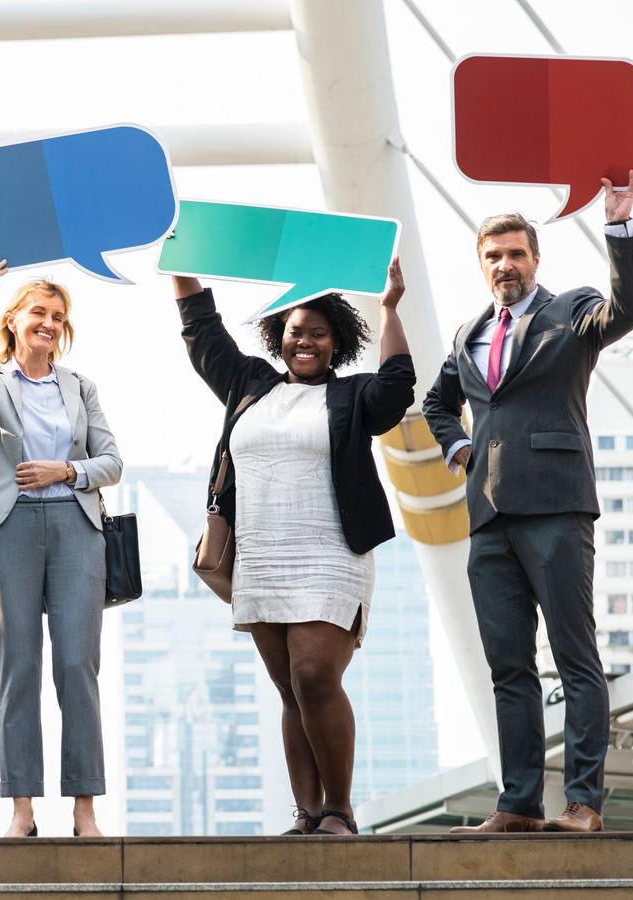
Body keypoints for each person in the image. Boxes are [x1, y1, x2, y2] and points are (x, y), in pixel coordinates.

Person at [423, 175, 633, 834]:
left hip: (556, 506)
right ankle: (518, 803)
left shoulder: (570, 312)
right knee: (508, 667)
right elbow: (437, 402)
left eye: (516, 253)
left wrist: (618, 228)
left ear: (535, 259)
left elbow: (628, 308)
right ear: (481, 264)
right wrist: (459, 447)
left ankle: (583, 803)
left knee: (577, 659)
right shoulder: (467, 336)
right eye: (494, 256)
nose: (505, 265)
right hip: (488, 519)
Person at [171, 261, 413, 835]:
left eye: (319, 333)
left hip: (331, 555)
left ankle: (340, 810)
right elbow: (201, 331)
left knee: (313, 675)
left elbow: (397, 387)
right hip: (260, 554)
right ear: (279, 335)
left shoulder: (353, 396)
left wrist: (390, 308)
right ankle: (307, 813)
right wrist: (180, 261)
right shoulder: (248, 384)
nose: (305, 341)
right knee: (288, 688)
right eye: (296, 331)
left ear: (337, 344)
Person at [0, 250, 122, 838]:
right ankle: (22, 809)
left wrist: (65, 472)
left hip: (77, 529)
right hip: (9, 529)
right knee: (17, 668)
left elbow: (112, 462)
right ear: (15, 321)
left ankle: (84, 809)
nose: (47, 322)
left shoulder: (81, 387)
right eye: (37, 312)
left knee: (77, 666)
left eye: (56, 315)